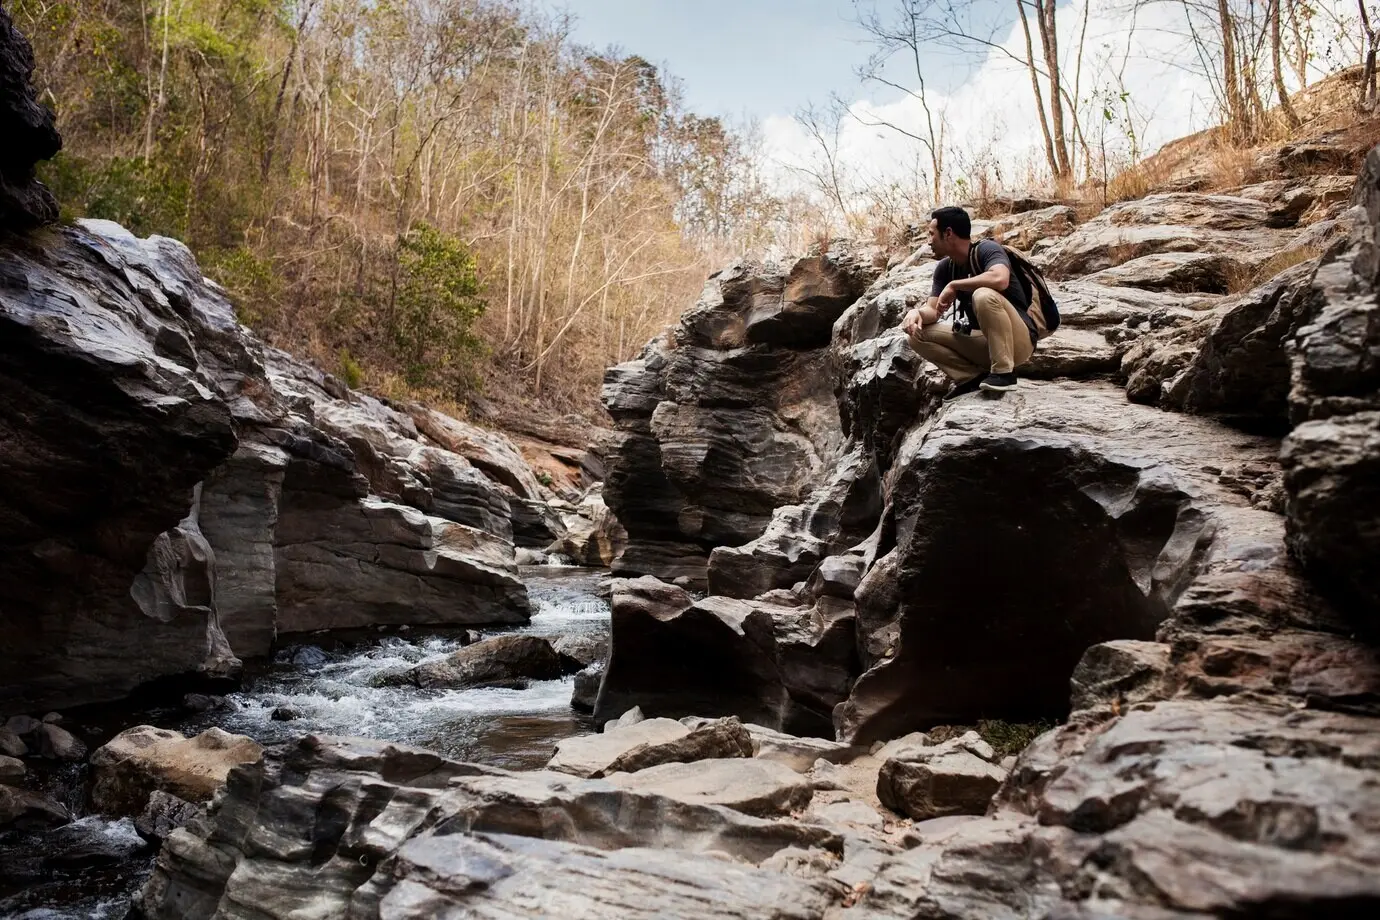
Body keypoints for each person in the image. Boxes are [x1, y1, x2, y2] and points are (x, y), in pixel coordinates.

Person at [901, 206, 1042, 397]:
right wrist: (916, 313)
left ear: (948, 233)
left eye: (931, 234)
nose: (928, 242)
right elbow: (933, 312)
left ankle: (1003, 374)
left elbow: (1000, 279)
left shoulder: (987, 249)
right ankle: (971, 378)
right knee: (916, 335)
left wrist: (955, 286)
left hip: (1018, 341)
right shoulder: (945, 268)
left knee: (983, 294)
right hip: (986, 342)